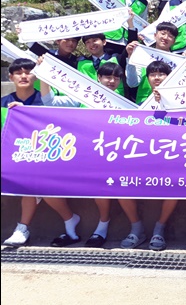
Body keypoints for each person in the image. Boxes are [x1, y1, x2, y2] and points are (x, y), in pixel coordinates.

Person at [38, 60, 126, 248]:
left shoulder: (124, 104)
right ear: (98, 78)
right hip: (76, 154)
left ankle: (102, 226)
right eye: (107, 77)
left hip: (105, 158)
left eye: (116, 78)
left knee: (101, 186)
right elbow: (50, 102)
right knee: (44, 185)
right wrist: (43, 75)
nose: (112, 81)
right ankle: (69, 223)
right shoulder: (83, 96)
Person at [1, 58, 81, 248]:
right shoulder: (3, 103)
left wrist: (27, 113)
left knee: (34, 182)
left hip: (49, 159)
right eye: (18, 73)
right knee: (31, 181)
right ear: (10, 77)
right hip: (16, 161)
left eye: (28, 72)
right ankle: (68, 220)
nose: (23, 76)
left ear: (36, 76)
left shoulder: (47, 100)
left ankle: (23, 228)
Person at [119, 59, 176, 250]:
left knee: (177, 186)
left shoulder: (180, 100)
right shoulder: (139, 104)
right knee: (119, 183)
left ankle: (160, 228)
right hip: (141, 155)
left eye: (161, 74)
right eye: (152, 74)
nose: (157, 78)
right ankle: (136, 228)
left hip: (170, 156)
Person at [127, 21, 178, 104]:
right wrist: (130, 57)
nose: (165, 37)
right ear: (155, 35)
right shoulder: (142, 55)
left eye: (170, 36)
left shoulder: (178, 62)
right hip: (144, 103)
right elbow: (132, 83)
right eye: (163, 33)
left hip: (168, 103)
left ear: (174, 41)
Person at [78, 33, 128, 98]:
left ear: (104, 42)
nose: (92, 44)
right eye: (88, 42)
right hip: (89, 99)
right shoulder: (81, 63)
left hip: (115, 99)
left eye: (94, 40)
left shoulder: (118, 59)